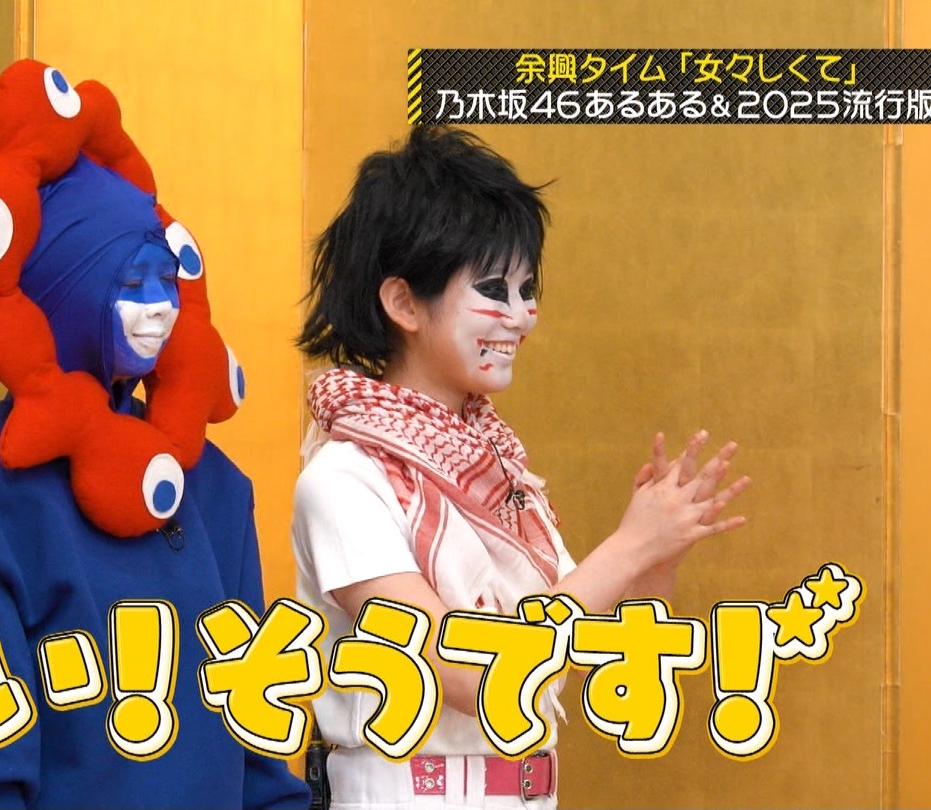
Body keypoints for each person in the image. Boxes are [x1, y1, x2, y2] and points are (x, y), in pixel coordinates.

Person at [0, 60, 309, 809]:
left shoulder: (212, 483)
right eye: (128, 283)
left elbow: (260, 750)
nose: (160, 308)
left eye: (165, 281)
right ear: (62, 291)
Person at [292, 126, 751, 809]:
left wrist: (655, 559)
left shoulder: (499, 469)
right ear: (404, 302)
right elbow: (470, 676)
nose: (522, 317)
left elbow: (598, 660)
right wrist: (626, 549)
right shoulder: (343, 480)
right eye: (493, 289)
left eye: (527, 288)